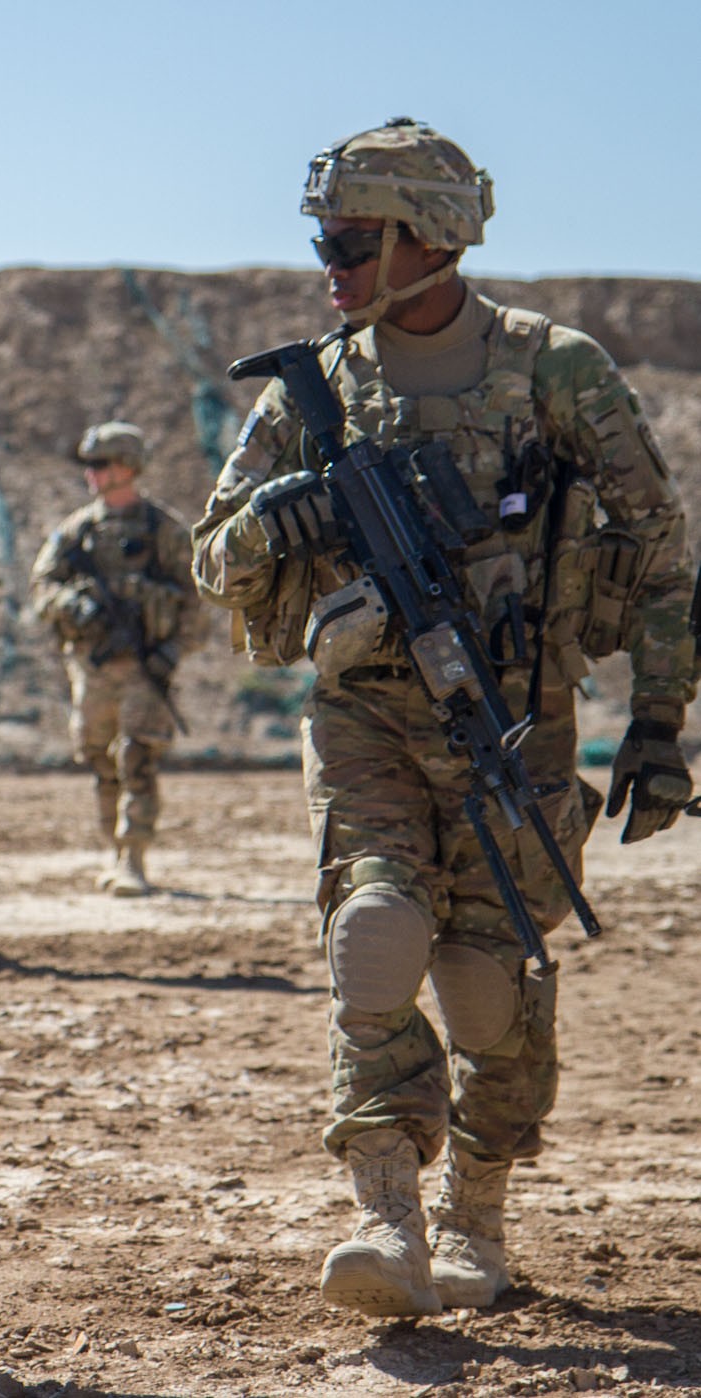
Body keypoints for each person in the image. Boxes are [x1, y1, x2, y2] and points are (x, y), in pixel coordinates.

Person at [192, 118, 695, 1318]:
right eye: (326, 239)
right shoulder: (321, 388)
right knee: (373, 933)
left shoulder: (554, 367)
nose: (333, 263)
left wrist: (662, 725)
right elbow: (214, 553)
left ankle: (478, 1214)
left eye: (355, 240)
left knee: (488, 975)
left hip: (518, 722)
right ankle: (385, 1211)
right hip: (364, 714)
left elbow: (664, 552)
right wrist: (290, 519)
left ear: (431, 237)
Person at [30, 422, 196, 897]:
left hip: (145, 668)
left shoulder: (163, 530)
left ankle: (134, 858)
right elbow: (42, 587)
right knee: (102, 760)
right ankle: (113, 849)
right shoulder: (77, 532)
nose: (93, 474)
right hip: (93, 667)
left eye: (101, 464)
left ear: (128, 467)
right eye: (89, 465)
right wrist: (73, 606)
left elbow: (197, 598)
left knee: (137, 757)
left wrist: (172, 651)